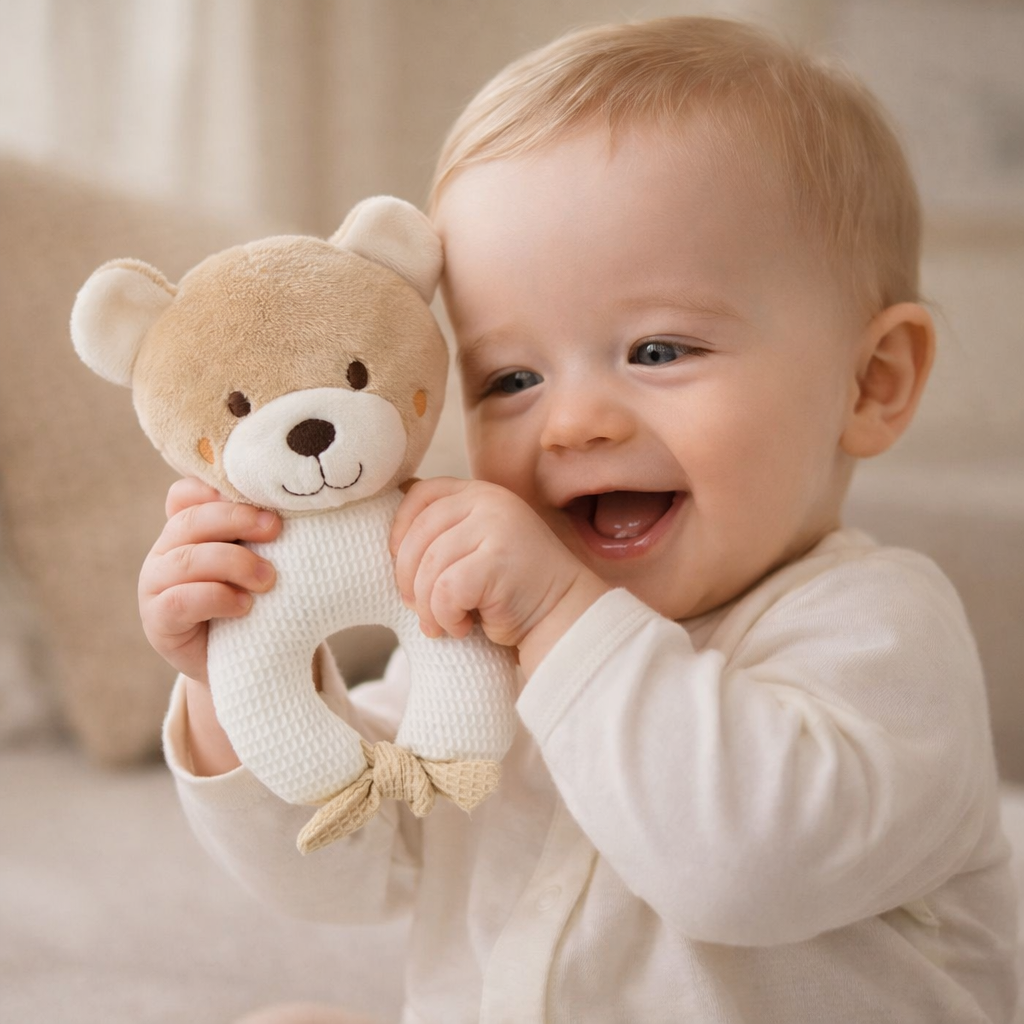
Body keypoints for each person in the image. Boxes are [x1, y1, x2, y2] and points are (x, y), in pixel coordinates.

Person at [140, 16, 1019, 1024]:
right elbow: (344, 871)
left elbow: (740, 866)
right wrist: (239, 684)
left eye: (657, 350)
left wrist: (563, 616)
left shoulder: (880, 631)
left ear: (871, 382)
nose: (574, 423)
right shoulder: (483, 641)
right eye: (511, 377)